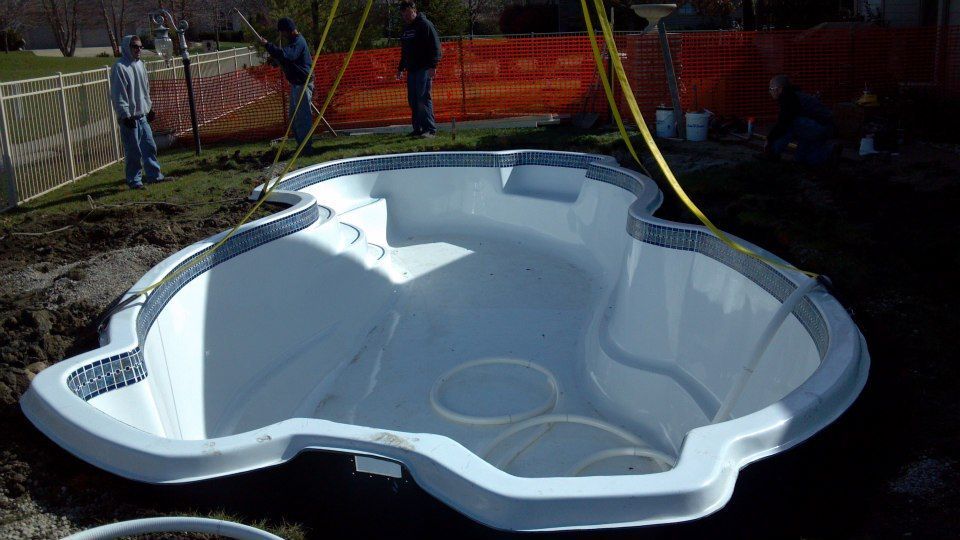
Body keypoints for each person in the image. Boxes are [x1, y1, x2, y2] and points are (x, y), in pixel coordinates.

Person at [110, 35, 165, 190]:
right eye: (135, 46)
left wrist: (149, 108)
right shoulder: (120, 67)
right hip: (129, 118)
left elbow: (145, 90)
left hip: (142, 116)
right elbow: (118, 94)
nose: (138, 49)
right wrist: (125, 114)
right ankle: (134, 181)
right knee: (133, 152)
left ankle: (154, 176)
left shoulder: (141, 64)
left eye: (140, 47)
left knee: (149, 147)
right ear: (127, 47)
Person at [261, 18, 314, 151]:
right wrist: (276, 61)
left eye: (282, 32)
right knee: (294, 118)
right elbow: (288, 60)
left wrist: (268, 45)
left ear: (288, 31)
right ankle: (301, 146)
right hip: (296, 84)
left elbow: (287, 55)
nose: (282, 36)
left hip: (303, 83)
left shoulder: (298, 42)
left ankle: (306, 148)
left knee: (302, 118)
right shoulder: (293, 43)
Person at [765, 75, 839, 166]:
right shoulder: (795, 96)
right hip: (820, 126)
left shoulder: (790, 99)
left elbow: (784, 123)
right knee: (806, 160)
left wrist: (770, 141)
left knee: (791, 124)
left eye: (771, 88)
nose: (770, 92)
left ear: (780, 89)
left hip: (821, 126)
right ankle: (829, 152)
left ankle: (773, 153)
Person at [396, 1, 441, 138]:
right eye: (404, 14)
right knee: (413, 100)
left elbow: (435, 46)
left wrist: (433, 65)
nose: (406, 17)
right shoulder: (406, 29)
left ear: (414, 11)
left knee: (423, 98)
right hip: (412, 70)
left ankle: (430, 129)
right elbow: (405, 51)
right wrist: (401, 68)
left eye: (409, 13)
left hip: (424, 68)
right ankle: (418, 128)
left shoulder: (425, 25)